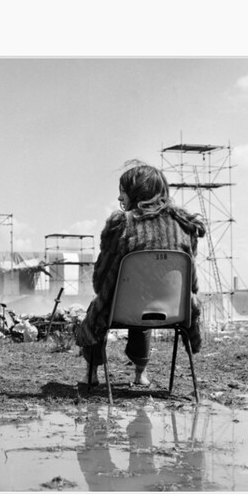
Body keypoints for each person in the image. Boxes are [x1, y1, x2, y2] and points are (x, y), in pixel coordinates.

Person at [75, 159, 206, 387]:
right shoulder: (185, 225)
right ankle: (140, 374)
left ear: (136, 192)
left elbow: (101, 278)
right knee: (146, 308)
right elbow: (190, 279)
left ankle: (92, 373)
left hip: (124, 308)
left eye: (122, 192)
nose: (119, 198)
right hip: (175, 310)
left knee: (100, 308)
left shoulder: (122, 225)